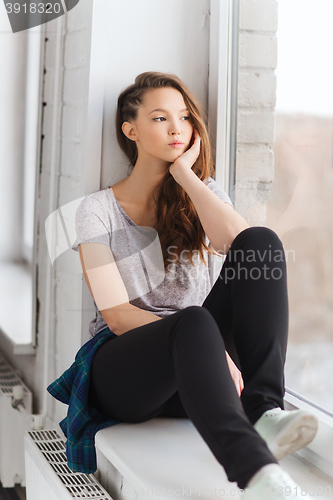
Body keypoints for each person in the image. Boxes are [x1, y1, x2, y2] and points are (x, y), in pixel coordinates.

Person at [48, 72, 320, 499]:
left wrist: (187, 178)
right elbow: (117, 315)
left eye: (185, 117)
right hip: (131, 372)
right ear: (130, 129)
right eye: (160, 118)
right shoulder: (96, 210)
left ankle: (265, 411)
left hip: (196, 370)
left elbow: (241, 242)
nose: (177, 128)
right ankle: (260, 477)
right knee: (192, 322)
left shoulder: (201, 193)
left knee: (263, 242)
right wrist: (213, 346)